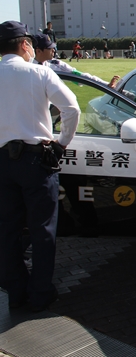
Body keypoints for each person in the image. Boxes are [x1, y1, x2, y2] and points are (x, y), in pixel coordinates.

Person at [0, 20, 80, 312]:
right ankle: (40, 293)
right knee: (42, 230)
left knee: (7, 231)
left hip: (2, 162)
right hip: (36, 160)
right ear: (24, 44)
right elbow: (71, 108)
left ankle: (16, 292)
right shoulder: (39, 73)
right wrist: (61, 144)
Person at [33, 34, 119, 88]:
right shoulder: (27, 66)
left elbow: (80, 76)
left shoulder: (56, 64)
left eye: (53, 47)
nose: (53, 50)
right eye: (49, 48)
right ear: (38, 51)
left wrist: (106, 84)